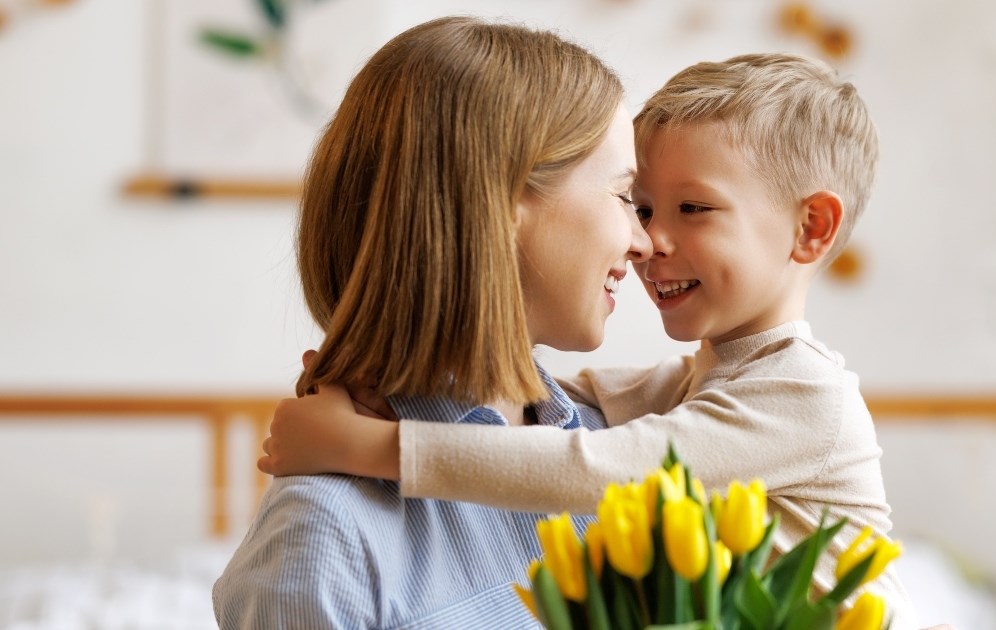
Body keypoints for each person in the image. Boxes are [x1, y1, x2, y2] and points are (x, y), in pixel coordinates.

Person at [262, 53, 919, 626]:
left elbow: (597, 467)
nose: (649, 242)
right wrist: (388, 380)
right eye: (638, 204)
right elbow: (565, 394)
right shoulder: (700, 386)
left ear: (811, 229)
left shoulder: (804, 398)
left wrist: (372, 444)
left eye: (692, 209)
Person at [212, 15, 652, 628]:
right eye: (626, 196)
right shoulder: (323, 542)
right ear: (503, 199)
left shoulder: (625, 443)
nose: (644, 241)